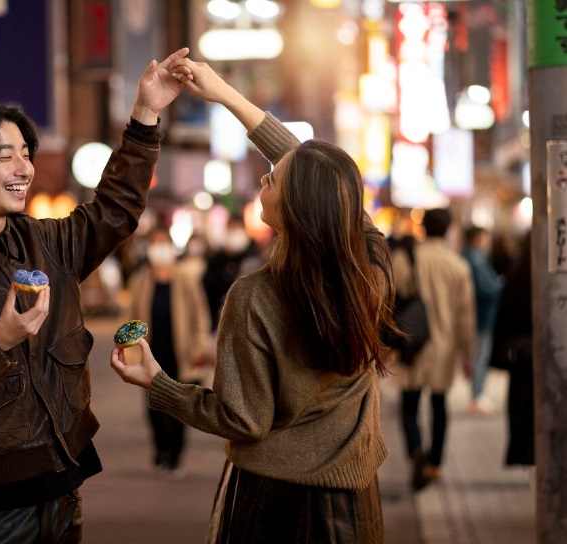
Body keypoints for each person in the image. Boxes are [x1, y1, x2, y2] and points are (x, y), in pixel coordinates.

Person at [0, 47, 190, 543]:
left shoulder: (44, 241)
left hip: (62, 482)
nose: (24, 167)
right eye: (6, 156)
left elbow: (115, 209)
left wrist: (145, 115)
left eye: (26, 153)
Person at [111, 58, 397, 542]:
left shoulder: (255, 296)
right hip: (353, 500)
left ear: (297, 209)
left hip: (272, 504)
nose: (264, 179)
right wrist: (225, 94)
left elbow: (242, 419)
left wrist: (159, 383)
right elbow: (318, 174)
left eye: (273, 181)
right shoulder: (368, 268)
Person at [392, 208, 475, 490]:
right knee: (439, 405)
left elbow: (385, 299)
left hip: (412, 344)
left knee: (409, 405)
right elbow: (466, 316)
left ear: (423, 228)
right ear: (449, 228)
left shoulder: (404, 260)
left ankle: (416, 451)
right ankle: (435, 464)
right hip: (444, 346)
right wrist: (468, 354)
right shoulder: (458, 266)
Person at [126, 227, 211, 477]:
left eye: (164, 244)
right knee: (153, 405)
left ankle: (175, 455)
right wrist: (130, 350)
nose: (160, 250)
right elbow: (130, 317)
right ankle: (160, 451)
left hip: (180, 354)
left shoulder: (185, 278)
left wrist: (198, 346)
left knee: (179, 405)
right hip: (151, 354)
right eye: (155, 244)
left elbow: (200, 316)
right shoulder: (142, 279)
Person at [490, 232, 534, 467]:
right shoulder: (549, 277)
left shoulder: (517, 273)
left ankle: (522, 454)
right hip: (543, 355)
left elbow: (503, 316)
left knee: (520, 405)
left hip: (520, 356)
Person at [461, 225, 504, 415]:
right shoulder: (475, 258)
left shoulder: (470, 256)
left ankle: (478, 394)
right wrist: (501, 284)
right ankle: (476, 395)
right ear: (478, 238)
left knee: (479, 356)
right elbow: (486, 288)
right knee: (480, 356)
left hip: (481, 315)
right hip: (482, 316)